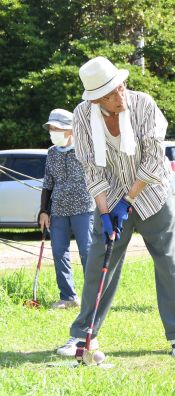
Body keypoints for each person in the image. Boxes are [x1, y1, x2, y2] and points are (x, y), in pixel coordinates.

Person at [56, 56, 175, 359]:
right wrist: (105, 212)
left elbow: (155, 160)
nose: (121, 96)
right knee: (97, 266)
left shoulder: (143, 105)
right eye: (111, 94)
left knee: (168, 263)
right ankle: (83, 337)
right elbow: (91, 168)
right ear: (96, 99)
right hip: (111, 197)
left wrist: (127, 202)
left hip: (152, 194)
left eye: (122, 87)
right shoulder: (82, 116)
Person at [39, 108, 95, 309]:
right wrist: (43, 211)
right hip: (58, 209)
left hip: (83, 207)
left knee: (87, 252)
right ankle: (68, 297)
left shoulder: (85, 150)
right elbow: (47, 183)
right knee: (58, 251)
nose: (53, 132)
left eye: (58, 129)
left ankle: (93, 297)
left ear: (70, 130)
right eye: (51, 129)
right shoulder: (52, 153)